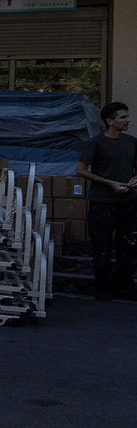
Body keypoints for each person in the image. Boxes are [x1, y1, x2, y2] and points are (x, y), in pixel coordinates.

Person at [76, 101, 137, 301]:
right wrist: (109, 183)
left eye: (127, 116)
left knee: (128, 246)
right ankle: (103, 288)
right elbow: (81, 170)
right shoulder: (96, 143)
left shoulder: (131, 142)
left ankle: (125, 287)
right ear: (110, 121)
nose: (127, 120)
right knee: (102, 246)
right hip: (103, 202)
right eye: (122, 117)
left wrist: (135, 180)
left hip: (129, 201)